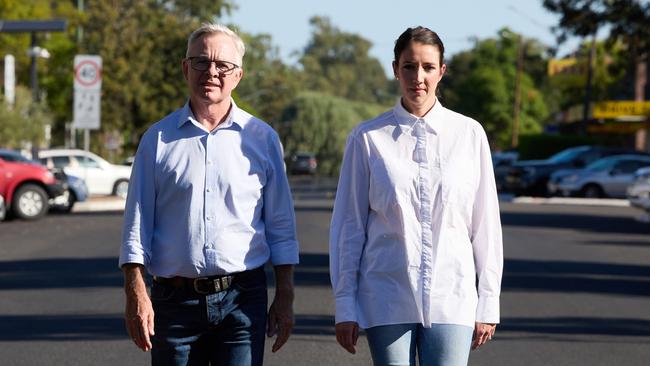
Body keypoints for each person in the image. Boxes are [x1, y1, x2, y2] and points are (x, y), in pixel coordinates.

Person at [119, 23, 299, 366]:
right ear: (186, 68)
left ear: (238, 76)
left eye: (223, 65)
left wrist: (285, 295)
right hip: (173, 303)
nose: (211, 72)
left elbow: (281, 225)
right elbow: (135, 225)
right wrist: (136, 293)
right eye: (201, 62)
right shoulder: (157, 140)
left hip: (242, 300)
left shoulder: (262, 139)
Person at [329, 26, 503, 366]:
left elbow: (485, 226)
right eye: (409, 66)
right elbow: (348, 227)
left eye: (427, 67)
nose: (418, 77)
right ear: (395, 70)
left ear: (442, 71)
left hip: (452, 295)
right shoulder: (367, 138)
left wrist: (488, 301)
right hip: (386, 292)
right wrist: (345, 304)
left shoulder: (468, 134)